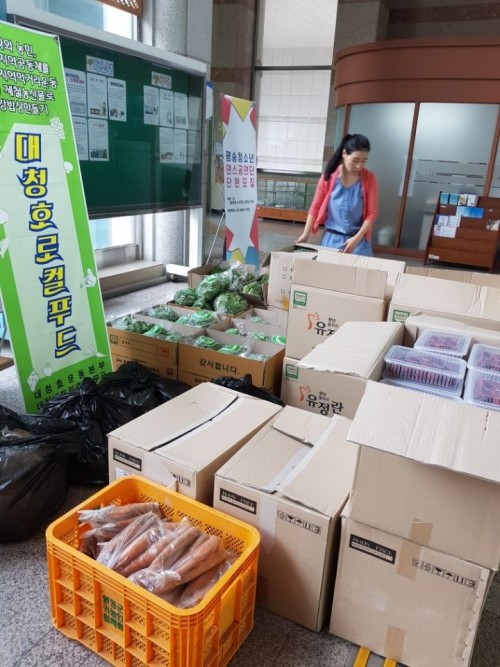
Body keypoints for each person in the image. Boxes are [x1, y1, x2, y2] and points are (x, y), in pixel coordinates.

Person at [296, 133, 378, 256]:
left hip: (358, 243)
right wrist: (306, 234)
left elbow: (372, 213)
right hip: (332, 242)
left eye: (364, 161)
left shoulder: (369, 179)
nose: (359, 166)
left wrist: (356, 239)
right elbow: (315, 207)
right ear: (344, 153)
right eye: (355, 160)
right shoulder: (328, 178)